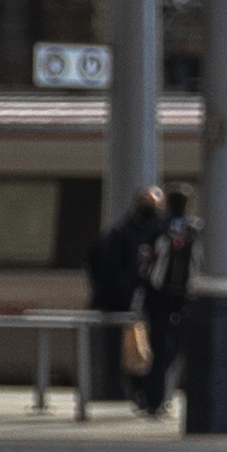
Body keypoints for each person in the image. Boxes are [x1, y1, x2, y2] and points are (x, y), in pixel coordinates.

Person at [84, 178, 184, 421]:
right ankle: (144, 393)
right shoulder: (119, 234)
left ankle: (150, 394)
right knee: (135, 352)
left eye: (155, 203)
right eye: (147, 203)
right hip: (129, 304)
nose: (152, 209)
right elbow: (102, 266)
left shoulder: (162, 232)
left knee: (161, 350)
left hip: (157, 303)